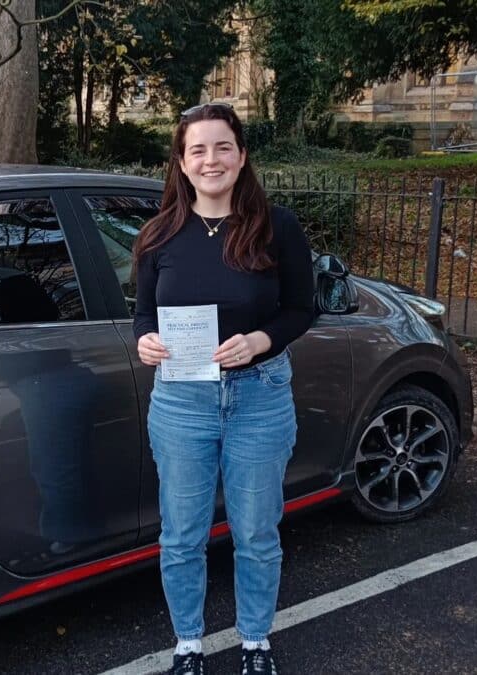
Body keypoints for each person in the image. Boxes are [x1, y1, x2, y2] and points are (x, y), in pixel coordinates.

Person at [132, 103, 314, 675]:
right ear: (182, 164)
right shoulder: (159, 235)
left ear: (241, 156)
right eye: (198, 150)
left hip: (258, 395)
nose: (211, 159)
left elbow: (302, 308)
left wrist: (260, 340)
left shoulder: (276, 226)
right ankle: (189, 645)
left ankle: (255, 641)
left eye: (222, 147)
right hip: (182, 402)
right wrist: (146, 343)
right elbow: (142, 317)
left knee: (257, 532)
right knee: (182, 535)